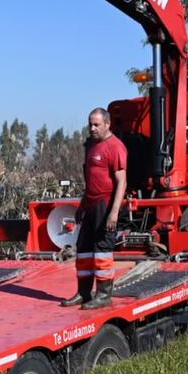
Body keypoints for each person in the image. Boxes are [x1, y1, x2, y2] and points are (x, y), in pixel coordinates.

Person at [61, 107, 127, 309]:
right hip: (89, 204)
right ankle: (83, 293)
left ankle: (104, 295)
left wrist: (113, 212)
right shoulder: (91, 146)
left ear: (107, 124)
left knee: (102, 251)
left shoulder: (115, 147)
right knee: (84, 250)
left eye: (96, 124)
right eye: (90, 124)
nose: (92, 128)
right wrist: (82, 206)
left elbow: (122, 182)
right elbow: (91, 181)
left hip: (105, 205)